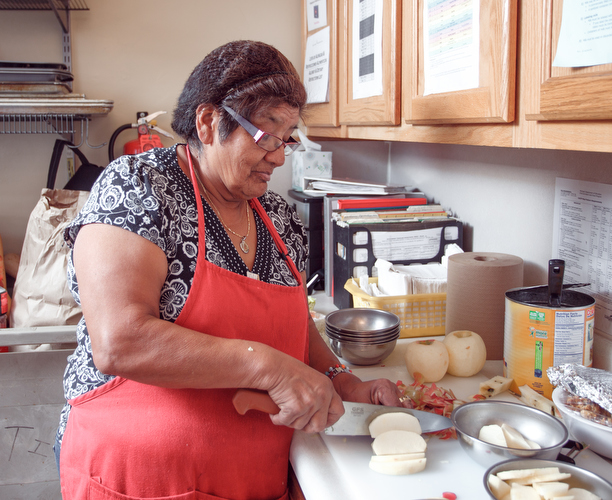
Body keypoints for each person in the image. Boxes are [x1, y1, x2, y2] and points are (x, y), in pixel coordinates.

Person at [55, 40, 407, 500]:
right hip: (139, 479)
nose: (280, 157)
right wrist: (271, 370)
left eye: (288, 138)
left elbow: (292, 325)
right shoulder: (140, 187)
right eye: (267, 135)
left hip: (254, 478)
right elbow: (119, 341)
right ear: (207, 122)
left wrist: (343, 381)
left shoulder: (279, 219)